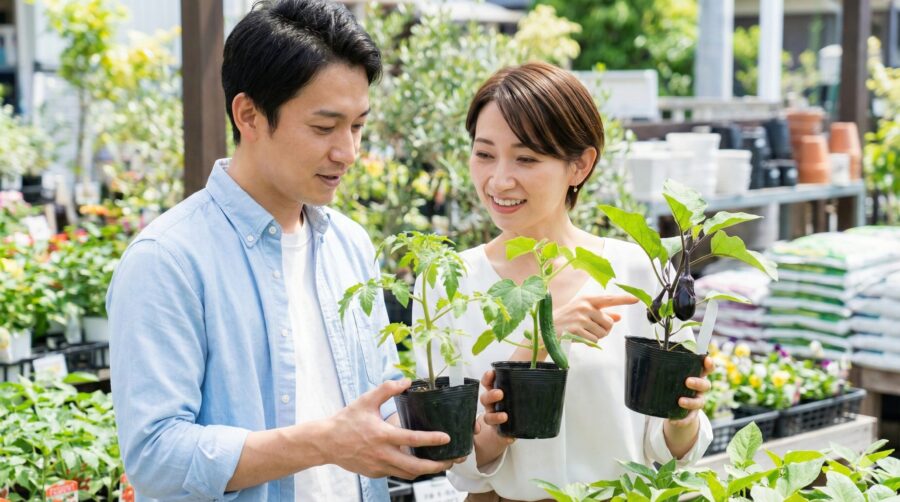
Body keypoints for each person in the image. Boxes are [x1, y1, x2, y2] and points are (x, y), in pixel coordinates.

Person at [107, 1, 456, 500]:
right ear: (248, 114)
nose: (348, 153)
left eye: (357, 126)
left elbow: (376, 400)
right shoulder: (168, 260)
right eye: (324, 127)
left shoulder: (350, 244)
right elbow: (156, 457)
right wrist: (322, 443)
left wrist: (458, 421)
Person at [413, 62, 714, 502]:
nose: (498, 179)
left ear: (580, 165)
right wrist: (541, 341)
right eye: (484, 153)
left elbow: (670, 453)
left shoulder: (635, 272)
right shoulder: (446, 283)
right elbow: (458, 460)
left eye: (526, 158)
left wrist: (684, 416)